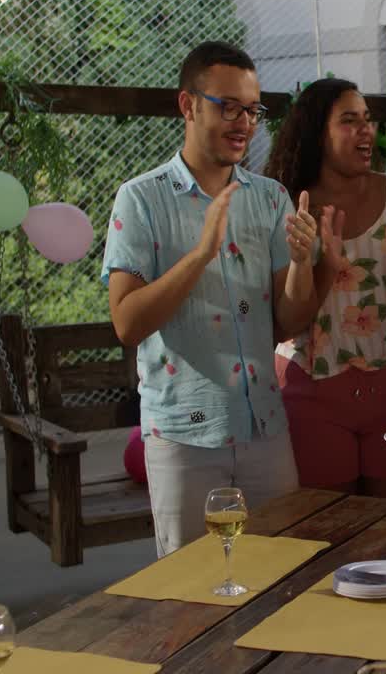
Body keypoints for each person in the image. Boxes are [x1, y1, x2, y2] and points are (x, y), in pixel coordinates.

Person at [102, 42, 320, 556]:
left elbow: (286, 323)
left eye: (252, 109)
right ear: (188, 105)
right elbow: (127, 324)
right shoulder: (141, 199)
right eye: (228, 106)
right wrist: (200, 254)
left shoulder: (269, 197)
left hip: (265, 427)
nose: (243, 122)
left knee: (280, 577)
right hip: (183, 435)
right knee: (189, 602)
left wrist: (304, 264)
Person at [265, 78, 386, 498]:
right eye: (349, 121)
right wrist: (321, 265)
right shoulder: (288, 203)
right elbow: (282, 321)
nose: (365, 130)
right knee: (326, 538)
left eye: (367, 120)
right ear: (317, 133)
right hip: (312, 394)